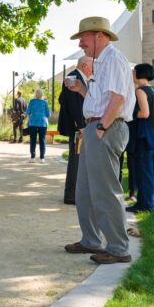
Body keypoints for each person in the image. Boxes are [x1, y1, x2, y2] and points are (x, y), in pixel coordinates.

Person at [63, 16, 135, 265]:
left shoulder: (114, 59)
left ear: (100, 36)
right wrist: (81, 91)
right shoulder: (100, 62)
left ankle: (118, 248)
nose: (81, 42)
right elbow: (100, 99)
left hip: (107, 127)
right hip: (96, 127)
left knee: (105, 191)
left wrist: (102, 127)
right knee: (84, 190)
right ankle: (91, 240)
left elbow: (118, 99)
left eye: (84, 37)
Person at [126, 63, 154, 212]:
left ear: (139, 74)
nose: (132, 75)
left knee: (144, 171)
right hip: (153, 133)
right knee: (153, 169)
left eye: (134, 72)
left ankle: (145, 205)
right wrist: (153, 128)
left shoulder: (140, 90)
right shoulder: (153, 89)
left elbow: (144, 113)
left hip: (142, 135)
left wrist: (128, 114)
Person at [58, 56, 93, 204]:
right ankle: (71, 194)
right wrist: (82, 126)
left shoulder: (77, 77)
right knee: (76, 160)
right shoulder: (73, 78)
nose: (94, 69)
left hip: (78, 127)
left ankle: (75, 193)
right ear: (85, 65)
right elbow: (74, 105)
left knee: (79, 159)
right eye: (93, 65)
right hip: (78, 128)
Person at [26, 89, 50, 162]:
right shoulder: (45, 102)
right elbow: (48, 114)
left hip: (32, 123)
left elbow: (28, 112)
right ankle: (42, 158)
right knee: (42, 140)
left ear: (35, 94)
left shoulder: (32, 101)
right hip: (42, 123)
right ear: (42, 94)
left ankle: (32, 158)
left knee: (33, 140)